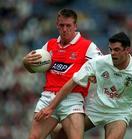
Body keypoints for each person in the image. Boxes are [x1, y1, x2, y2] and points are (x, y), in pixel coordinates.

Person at [35, 32, 132, 139]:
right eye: (110, 49)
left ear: (127, 50)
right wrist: (51, 107)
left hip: (119, 113)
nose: (112, 53)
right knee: (61, 136)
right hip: (94, 107)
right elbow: (73, 82)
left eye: (117, 50)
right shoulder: (98, 63)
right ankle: (57, 129)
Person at [23, 8, 102, 139]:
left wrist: (96, 75)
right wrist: (25, 62)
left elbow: (103, 66)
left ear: (75, 26)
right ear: (57, 25)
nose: (65, 29)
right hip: (48, 97)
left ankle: (58, 130)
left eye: (68, 25)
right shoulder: (50, 45)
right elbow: (32, 68)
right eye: (61, 25)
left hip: (72, 99)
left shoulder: (88, 46)